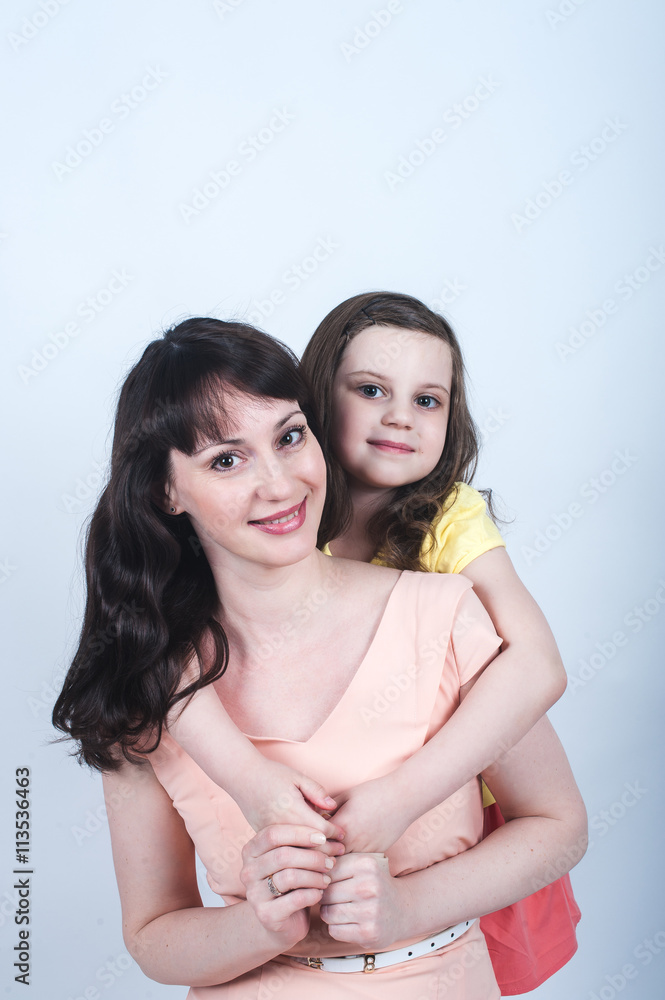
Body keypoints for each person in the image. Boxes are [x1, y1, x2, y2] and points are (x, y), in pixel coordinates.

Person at [53, 317, 586, 997]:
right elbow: (152, 937)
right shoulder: (145, 677)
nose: (279, 485)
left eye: (288, 437)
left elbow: (558, 826)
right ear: (166, 490)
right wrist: (260, 926)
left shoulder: (442, 612)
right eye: (226, 460)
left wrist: (407, 908)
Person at [299, 290, 582, 991]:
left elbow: (539, 665)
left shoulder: (447, 519)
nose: (401, 416)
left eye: (427, 400)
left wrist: (401, 798)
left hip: (457, 814)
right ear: (317, 397)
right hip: (330, 818)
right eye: (372, 390)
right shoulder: (285, 519)